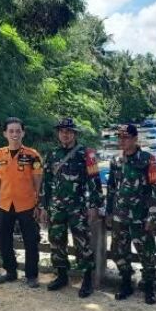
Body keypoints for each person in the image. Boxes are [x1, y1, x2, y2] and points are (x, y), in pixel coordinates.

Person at [40, 118, 102, 298]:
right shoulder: (52, 155)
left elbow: (95, 181)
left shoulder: (86, 153)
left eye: (68, 131)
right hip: (57, 207)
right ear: (58, 134)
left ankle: (87, 279)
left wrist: (94, 205)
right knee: (56, 241)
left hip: (78, 207)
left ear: (74, 134)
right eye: (61, 131)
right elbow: (46, 182)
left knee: (82, 244)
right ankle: (61, 275)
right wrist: (44, 206)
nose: (65, 134)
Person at [106, 124, 156, 304]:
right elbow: (112, 189)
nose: (122, 140)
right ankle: (126, 282)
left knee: (147, 253)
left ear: (135, 139)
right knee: (119, 251)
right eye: (119, 137)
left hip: (140, 216)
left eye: (126, 137)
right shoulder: (115, 160)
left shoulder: (148, 159)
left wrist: (152, 215)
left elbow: (154, 188)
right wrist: (108, 212)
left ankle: (150, 287)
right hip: (119, 216)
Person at [0, 117, 42, 288]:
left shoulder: (33, 155)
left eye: (18, 131)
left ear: (23, 133)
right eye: (11, 131)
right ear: (5, 133)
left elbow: (38, 181)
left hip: (27, 204)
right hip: (4, 204)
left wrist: (38, 204)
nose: (15, 134)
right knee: (2, 238)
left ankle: (31, 275)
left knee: (31, 241)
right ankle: (10, 271)